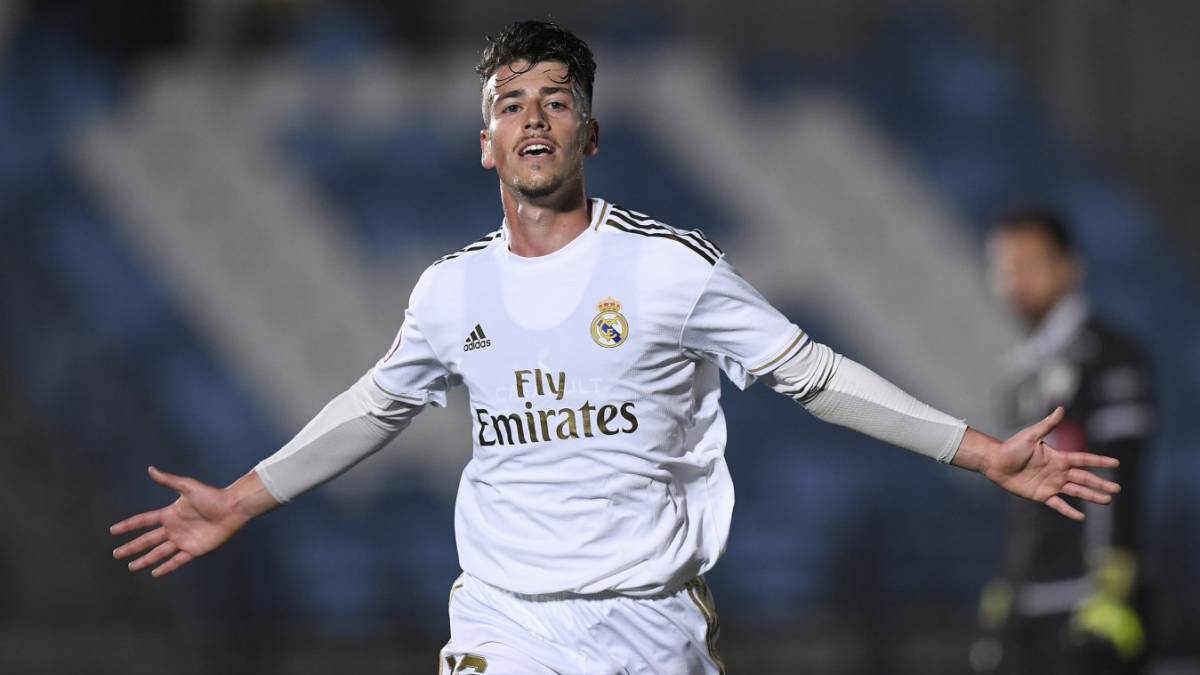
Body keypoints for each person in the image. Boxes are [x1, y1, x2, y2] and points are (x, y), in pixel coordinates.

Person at [111, 21, 1123, 675]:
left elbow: (810, 375)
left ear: (591, 133)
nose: (535, 117)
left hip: (651, 628)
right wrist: (240, 499)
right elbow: (375, 406)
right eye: (513, 104)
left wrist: (981, 450)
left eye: (557, 99)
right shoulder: (449, 290)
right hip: (505, 625)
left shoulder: (671, 271)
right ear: (486, 145)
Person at [972, 209, 1154, 675]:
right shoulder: (1014, 373)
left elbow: (1119, 477)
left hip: (1091, 608)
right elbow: (1018, 502)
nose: (1015, 279)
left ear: (1069, 267)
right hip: (1027, 611)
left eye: (1028, 264)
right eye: (1004, 267)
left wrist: (1112, 593)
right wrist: (1006, 591)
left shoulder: (1112, 358)